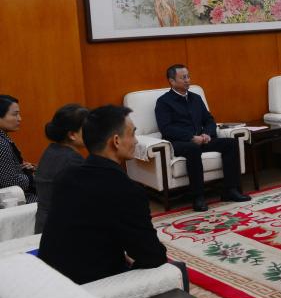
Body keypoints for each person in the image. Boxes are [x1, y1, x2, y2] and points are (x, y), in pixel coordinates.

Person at [39, 105, 167, 284]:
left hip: (49, 277)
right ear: (116, 141)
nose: (136, 141)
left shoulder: (66, 176)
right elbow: (152, 256)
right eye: (132, 134)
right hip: (90, 286)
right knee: (175, 270)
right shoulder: (126, 190)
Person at [155, 65, 250, 211]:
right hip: (180, 143)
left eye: (188, 76)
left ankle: (230, 190)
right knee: (193, 149)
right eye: (183, 78)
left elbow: (209, 120)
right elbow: (166, 128)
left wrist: (207, 133)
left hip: (202, 139)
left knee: (231, 143)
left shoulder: (196, 98)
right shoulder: (164, 102)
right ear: (172, 81)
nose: (187, 80)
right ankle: (198, 197)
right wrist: (191, 137)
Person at [33, 103, 88, 233]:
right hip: (63, 230)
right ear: (72, 135)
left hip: (44, 226)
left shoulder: (51, 150)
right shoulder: (72, 160)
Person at [0, 95, 36, 204]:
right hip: (12, 201)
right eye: (15, 114)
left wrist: (23, 169)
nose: (19, 119)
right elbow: (8, 181)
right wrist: (31, 177)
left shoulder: (3, 139)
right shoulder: (1, 143)